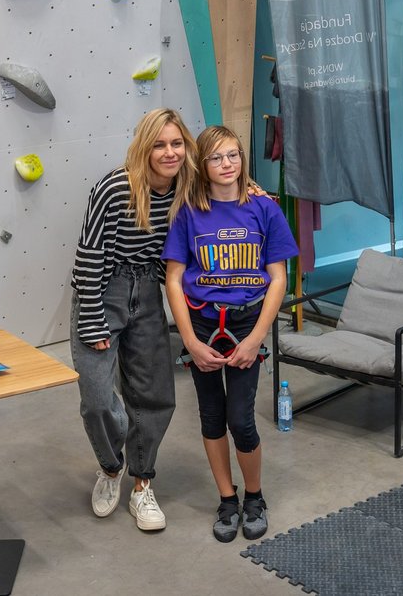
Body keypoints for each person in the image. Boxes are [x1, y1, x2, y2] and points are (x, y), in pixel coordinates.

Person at [162, 125, 298, 543]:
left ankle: (254, 496)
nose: (227, 164)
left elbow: (278, 278)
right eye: (216, 157)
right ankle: (227, 498)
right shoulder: (187, 212)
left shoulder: (264, 209)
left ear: (242, 158)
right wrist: (190, 340)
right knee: (211, 416)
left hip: (246, 324)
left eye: (233, 155)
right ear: (202, 165)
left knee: (241, 418)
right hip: (203, 325)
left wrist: (256, 338)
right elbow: (174, 280)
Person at [70, 108, 195, 531]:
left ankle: (142, 483)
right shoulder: (115, 187)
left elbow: (227, 186)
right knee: (97, 398)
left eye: (176, 143)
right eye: (159, 144)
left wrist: (253, 189)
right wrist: (91, 317)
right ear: (144, 147)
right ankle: (111, 467)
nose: (169, 152)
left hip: (148, 289)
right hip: (103, 288)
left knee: (153, 393)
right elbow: (90, 255)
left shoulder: (186, 187)